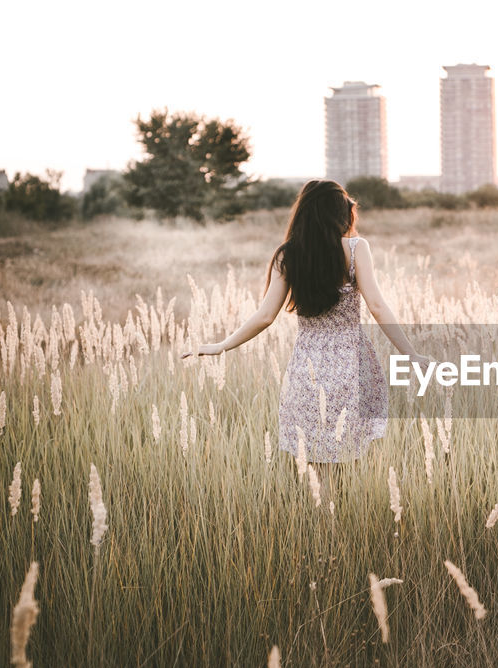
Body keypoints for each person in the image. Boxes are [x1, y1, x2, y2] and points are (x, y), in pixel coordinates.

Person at [182, 179, 428, 470]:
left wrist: (222, 345)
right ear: (340, 213)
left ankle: (321, 512)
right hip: (350, 365)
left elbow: (264, 317)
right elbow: (376, 305)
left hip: (307, 369)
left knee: (313, 460)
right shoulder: (356, 248)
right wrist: (410, 353)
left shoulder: (288, 255)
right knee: (349, 458)